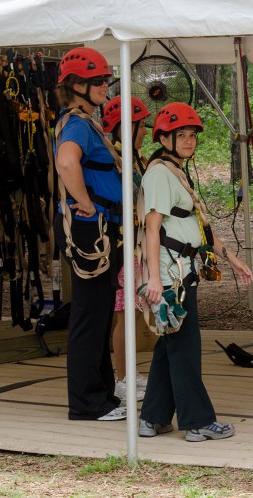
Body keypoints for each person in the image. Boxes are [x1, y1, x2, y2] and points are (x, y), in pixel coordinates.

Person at [138, 102, 252, 442]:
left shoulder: (175, 171)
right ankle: (198, 421)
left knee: (170, 344)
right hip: (172, 275)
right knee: (186, 347)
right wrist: (155, 279)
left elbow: (196, 223)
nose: (189, 141)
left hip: (182, 269)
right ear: (164, 138)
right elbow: (152, 226)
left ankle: (154, 418)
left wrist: (229, 256)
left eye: (191, 135)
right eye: (181, 135)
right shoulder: (159, 174)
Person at [53, 47, 125, 421]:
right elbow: (66, 161)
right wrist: (84, 203)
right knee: (89, 314)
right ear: (76, 85)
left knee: (99, 311)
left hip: (99, 226)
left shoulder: (84, 119)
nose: (104, 86)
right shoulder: (77, 124)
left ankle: (103, 396)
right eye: (97, 81)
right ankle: (87, 403)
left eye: (105, 80)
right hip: (91, 226)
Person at [101, 95, 152, 402]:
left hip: (137, 244)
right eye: (141, 125)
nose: (145, 131)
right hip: (124, 245)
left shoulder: (134, 157)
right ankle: (120, 378)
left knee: (130, 312)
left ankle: (127, 372)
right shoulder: (116, 158)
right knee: (123, 313)